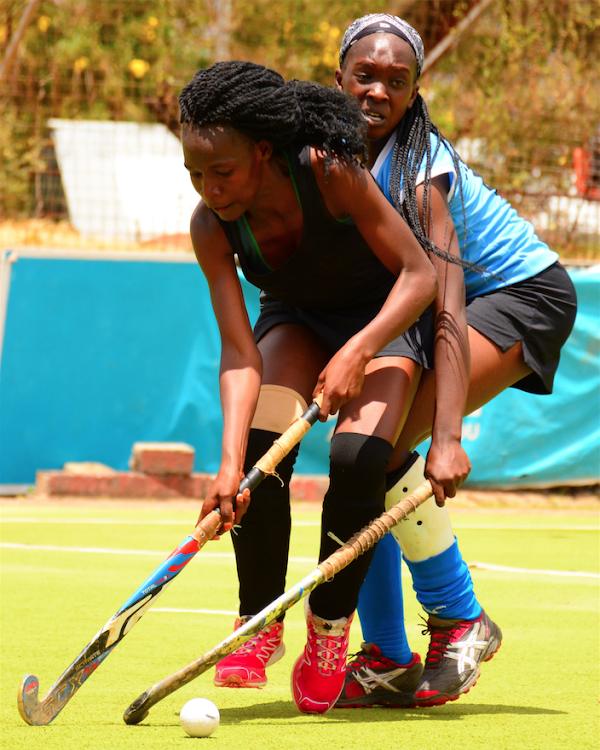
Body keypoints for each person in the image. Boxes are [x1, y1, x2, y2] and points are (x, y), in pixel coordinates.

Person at [331, 13, 578, 709]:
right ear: (338, 77)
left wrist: (446, 438)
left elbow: (446, 293)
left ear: (415, 91)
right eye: (365, 75)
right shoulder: (327, 151)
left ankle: (459, 620)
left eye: (396, 81)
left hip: (519, 293)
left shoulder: (418, 167)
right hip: (447, 303)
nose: (378, 91)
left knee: (379, 456)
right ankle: (386, 655)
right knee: (362, 456)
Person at [179, 60, 440, 714]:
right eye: (194, 174)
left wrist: (360, 348)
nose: (209, 188)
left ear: (263, 151)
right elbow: (241, 354)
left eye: (222, 171)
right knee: (262, 448)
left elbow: (418, 275)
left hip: (381, 320)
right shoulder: (212, 226)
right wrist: (230, 466)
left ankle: (328, 632)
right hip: (296, 321)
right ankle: (257, 621)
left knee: (357, 460)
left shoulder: (330, 171)